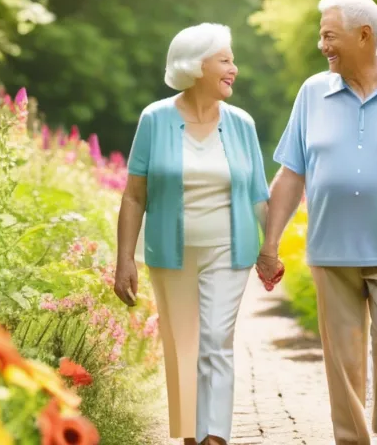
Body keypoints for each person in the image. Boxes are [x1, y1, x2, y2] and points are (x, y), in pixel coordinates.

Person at [256, 0, 377, 445]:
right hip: (332, 247)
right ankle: (352, 439)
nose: (321, 44)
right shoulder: (312, 93)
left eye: (329, 34)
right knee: (342, 358)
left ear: (364, 36)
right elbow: (290, 175)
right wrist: (269, 245)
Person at [114, 23, 272, 445]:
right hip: (171, 252)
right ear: (196, 65)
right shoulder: (155, 118)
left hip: (229, 249)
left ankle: (214, 438)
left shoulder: (240, 123)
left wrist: (269, 248)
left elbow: (259, 194)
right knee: (183, 346)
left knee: (216, 340)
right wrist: (124, 259)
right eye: (225, 60)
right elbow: (134, 196)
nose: (234, 68)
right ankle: (189, 437)